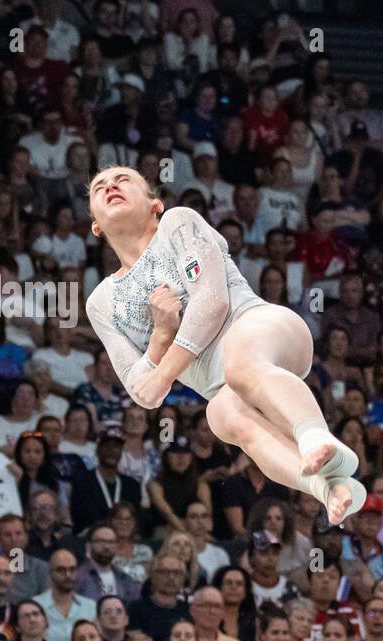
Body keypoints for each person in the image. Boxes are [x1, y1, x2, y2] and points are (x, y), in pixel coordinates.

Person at [84, 166, 365, 525]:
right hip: (224, 385)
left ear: (154, 204)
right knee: (222, 415)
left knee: (240, 365)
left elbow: (212, 302)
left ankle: (314, 436)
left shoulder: (177, 223)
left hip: (260, 327)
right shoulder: (101, 302)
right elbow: (140, 389)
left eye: (123, 180)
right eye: (99, 188)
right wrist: (160, 334)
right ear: (96, 224)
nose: (110, 186)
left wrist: (163, 371)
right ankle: (330, 488)